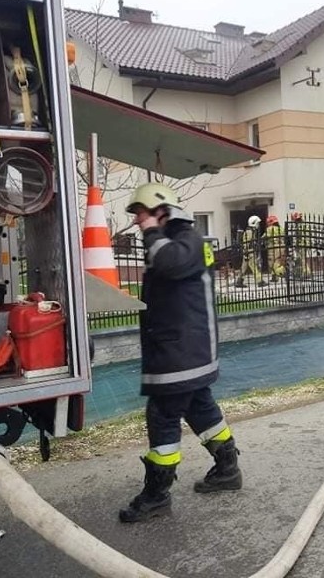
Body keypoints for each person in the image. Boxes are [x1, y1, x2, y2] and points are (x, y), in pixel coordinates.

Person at [119, 182, 243, 524]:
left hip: (181, 354)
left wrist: (152, 231)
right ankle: (228, 470)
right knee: (201, 409)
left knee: (162, 416)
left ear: (160, 210)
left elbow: (169, 263)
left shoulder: (185, 240)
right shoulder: (181, 240)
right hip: (185, 351)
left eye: (142, 214)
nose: (138, 222)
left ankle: (156, 496)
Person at [235, 215, 267, 288]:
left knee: (243, 267)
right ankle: (260, 281)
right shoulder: (249, 232)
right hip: (249, 252)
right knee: (254, 266)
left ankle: (239, 281)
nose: (258, 225)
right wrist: (246, 253)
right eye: (257, 223)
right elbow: (246, 243)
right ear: (254, 223)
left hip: (248, 252)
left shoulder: (252, 231)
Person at [263, 215, 286, 282]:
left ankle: (282, 272)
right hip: (282, 247)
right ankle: (274, 277)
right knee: (277, 262)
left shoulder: (270, 229)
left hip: (273, 248)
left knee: (271, 263)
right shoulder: (281, 228)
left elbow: (264, 237)